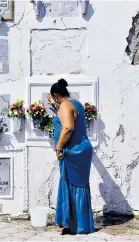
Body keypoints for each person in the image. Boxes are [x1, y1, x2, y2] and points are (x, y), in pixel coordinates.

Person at [47, 78, 95, 235]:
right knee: (80, 185)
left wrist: (58, 147)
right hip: (83, 149)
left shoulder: (64, 106)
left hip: (72, 152)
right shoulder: (75, 103)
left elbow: (68, 128)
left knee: (69, 184)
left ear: (55, 95)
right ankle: (82, 225)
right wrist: (56, 106)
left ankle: (71, 225)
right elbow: (68, 116)